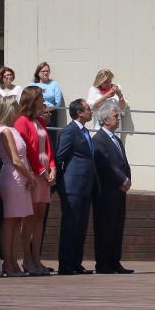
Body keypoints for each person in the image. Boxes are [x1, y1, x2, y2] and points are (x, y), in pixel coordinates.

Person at [55, 98, 98, 275]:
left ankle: (76, 262)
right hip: (72, 186)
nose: (91, 111)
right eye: (88, 109)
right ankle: (65, 265)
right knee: (70, 225)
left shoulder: (84, 131)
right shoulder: (69, 131)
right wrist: (59, 183)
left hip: (85, 187)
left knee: (80, 225)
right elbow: (60, 157)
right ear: (79, 112)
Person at [14, 86, 54, 275]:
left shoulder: (40, 121)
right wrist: (42, 171)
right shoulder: (21, 122)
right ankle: (27, 257)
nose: (43, 101)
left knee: (40, 217)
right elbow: (28, 150)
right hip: (33, 172)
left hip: (45, 173)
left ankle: (37, 257)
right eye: (40, 98)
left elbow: (47, 147)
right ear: (32, 100)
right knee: (29, 218)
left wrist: (52, 167)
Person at [0, 96, 34, 277]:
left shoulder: (13, 130)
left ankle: (14, 260)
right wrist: (30, 176)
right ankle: (8, 261)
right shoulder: (4, 131)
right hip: (13, 175)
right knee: (10, 219)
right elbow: (15, 159)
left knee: (18, 219)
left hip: (20, 176)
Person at [92, 103, 133, 274]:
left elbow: (123, 162)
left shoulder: (116, 139)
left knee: (117, 227)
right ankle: (103, 263)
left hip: (119, 191)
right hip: (107, 191)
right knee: (104, 228)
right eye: (116, 116)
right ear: (106, 119)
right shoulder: (98, 140)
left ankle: (115, 261)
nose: (118, 119)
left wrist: (128, 179)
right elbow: (105, 165)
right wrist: (122, 179)